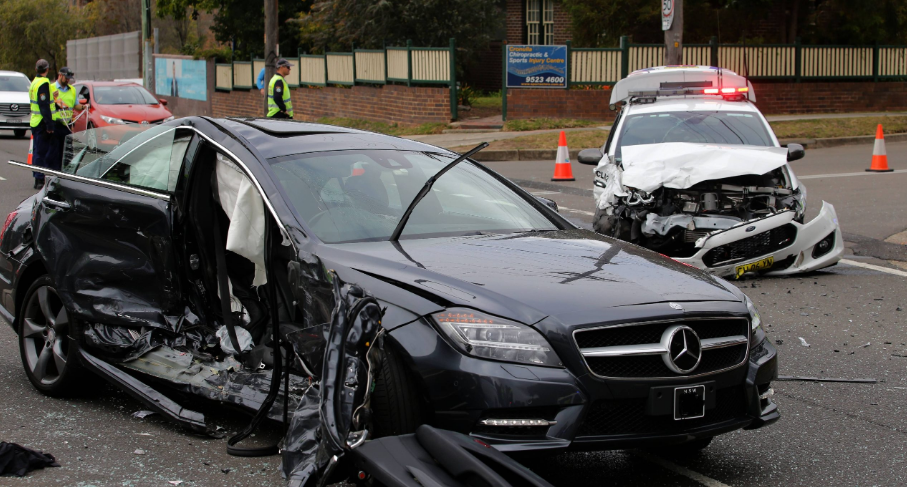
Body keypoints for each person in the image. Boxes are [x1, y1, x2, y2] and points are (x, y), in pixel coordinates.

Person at [48, 67, 86, 173]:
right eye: (66, 77)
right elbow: (45, 104)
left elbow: (75, 105)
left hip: (67, 125)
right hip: (55, 124)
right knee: (54, 152)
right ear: (60, 75)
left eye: (69, 78)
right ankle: (53, 174)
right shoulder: (51, 88)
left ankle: (65, 174)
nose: (68, 80)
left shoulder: (72, 90)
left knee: (67, 152)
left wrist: (83, 107)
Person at [28, 59, 57, 190]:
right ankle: (39, 178)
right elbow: (44, 105)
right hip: (41, 122)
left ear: (36, 70)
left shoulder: (34, 82)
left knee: (37, 151)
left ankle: (37, 176)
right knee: (41, 151)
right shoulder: (44, 82)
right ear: (47, 70)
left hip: (35, 120)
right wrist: (49, 125)